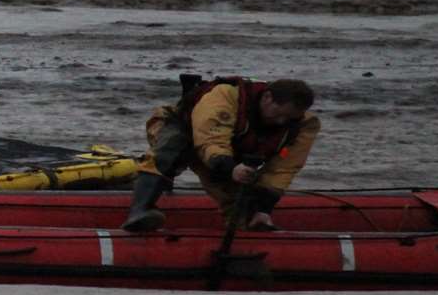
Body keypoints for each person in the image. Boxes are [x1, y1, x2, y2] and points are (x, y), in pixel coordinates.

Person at [122, 75, 320, 233]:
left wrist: (263, 209)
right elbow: (211, 140)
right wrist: (231, 168)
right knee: (169, 150)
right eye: (278, 114)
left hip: (228, 153)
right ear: (267, 97)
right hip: (185, 130)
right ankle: (141, 210)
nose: (281, 122)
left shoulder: (302, 126)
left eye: (289, 118)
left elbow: (283, 170)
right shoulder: (225, 96)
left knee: (239, 200)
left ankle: (247, 228)